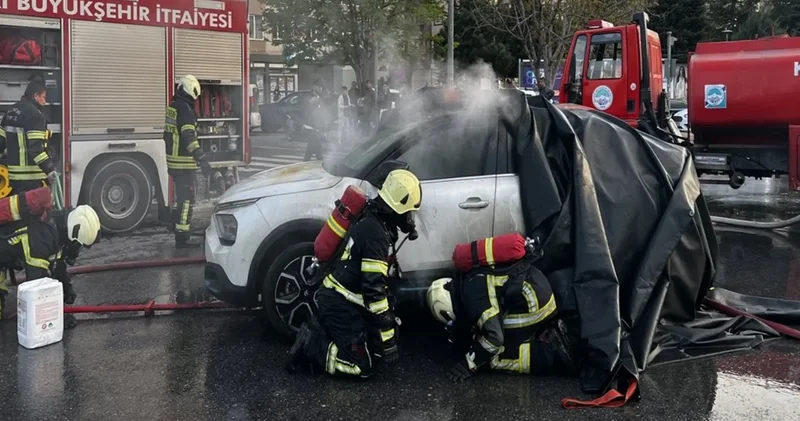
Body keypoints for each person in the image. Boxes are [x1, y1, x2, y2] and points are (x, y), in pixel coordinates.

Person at [287, 169, 423, 378]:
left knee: (372, 347)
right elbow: (373, 289)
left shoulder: (374, 217)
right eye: (409, 212)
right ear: (399, 207)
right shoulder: (376, 234)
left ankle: (328, 330)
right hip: (339, 301)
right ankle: (312, 345)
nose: (410, 219)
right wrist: (387, 338)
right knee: (363, 366)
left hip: (344, 295)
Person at [425, 255, 576, 383]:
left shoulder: (473, 300)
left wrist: (469, 363)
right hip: (538, 288)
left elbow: (495, 339)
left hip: (537, 307)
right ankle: (544, 333)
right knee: (487, 337)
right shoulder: (468, 280)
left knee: (494, 356)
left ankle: (550, 353)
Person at [0, 204, 101, 321]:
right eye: (78, 246)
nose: (77, 251)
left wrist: (67, 288)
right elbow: (37, 283)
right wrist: (57, 319)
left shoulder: (54, 228)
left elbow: (57, 264)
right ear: (75, 232)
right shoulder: (42, 236)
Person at [164, 74, 211, 248]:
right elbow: (189, 137)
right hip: (184, 163)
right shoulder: (185, 110)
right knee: (187, 199)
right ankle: (182, 236)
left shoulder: (174, 106)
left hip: (173, 161)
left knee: (181, 197)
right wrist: (202, 157)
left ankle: (174, 224)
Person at [0, 79, 58, 194]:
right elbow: (36, 149)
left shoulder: (10, 111)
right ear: (35, 96)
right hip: (31, 178)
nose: (45, 102)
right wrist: (49, 169)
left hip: (13, 177)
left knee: (18, 209)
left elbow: (1, 143)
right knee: (33, 210)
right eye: (43, 97)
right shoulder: (35, 115)